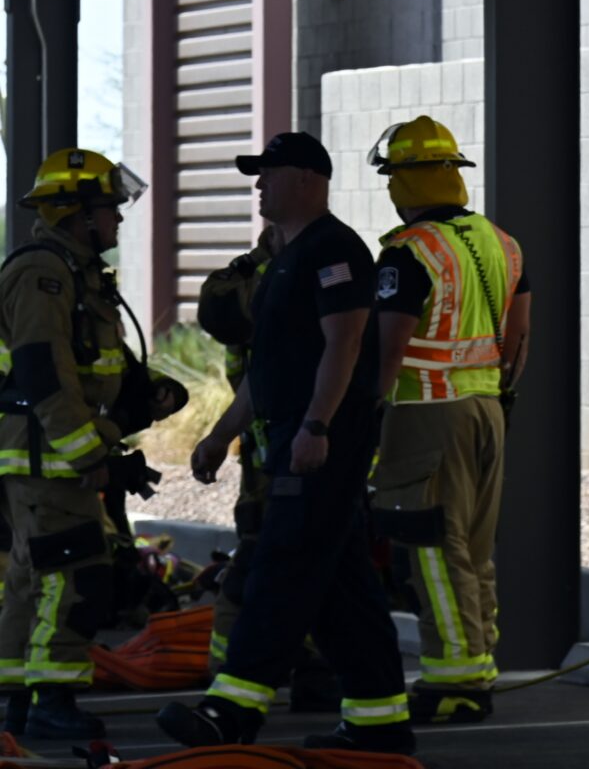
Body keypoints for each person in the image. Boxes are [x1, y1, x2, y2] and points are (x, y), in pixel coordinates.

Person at [157, 132, 413, 753]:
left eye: (268, 173)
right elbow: (267, 366)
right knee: (343, 586)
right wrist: (221, 434)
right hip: (294, 436)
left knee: (282, 565)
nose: (258, 184)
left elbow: (346, 343)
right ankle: (379, 721)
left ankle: (232, 710)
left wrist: (317, 425)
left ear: (306, 179)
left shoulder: (334, 250)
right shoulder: (283, 262)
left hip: (322, 440)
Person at [0, 148, 176, 740]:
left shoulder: (75, 274)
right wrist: (89, 454)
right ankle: (51, 702)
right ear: (76, 215)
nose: (118, 218)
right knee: (76, 574)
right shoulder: (43, 274)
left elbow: (87, 364)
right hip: (48, 455)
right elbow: (44, 371)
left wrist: (145, 393)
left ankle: (19, 701)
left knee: (35, 577)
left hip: (50, 453)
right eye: (109, 208)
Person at [368, 115, 530, 725]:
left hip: (426, 415)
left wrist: (359, 418)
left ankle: (454, 681)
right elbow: (519, 339)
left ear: (403, 181)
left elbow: (387, 351)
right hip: (488, 409)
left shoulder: (408, 253)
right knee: (474, 550)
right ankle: (475, 663)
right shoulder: (502, 242)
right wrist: (492, 392)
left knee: (433, 546)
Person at [196, 227, 341, 713]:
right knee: (262, 559)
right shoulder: (262, 281)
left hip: (286, 442)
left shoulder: (270, 279)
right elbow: (260, 377)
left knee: (307, 556)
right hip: (279, 445)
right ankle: (234, 673)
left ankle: (302, 668)